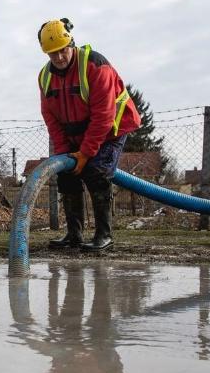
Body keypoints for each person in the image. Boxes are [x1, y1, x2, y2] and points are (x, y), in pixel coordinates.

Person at [37, 18, 141, 251]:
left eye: (63, 51)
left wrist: (85, 154)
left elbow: (103, 116)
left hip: (110, 131)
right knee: (67, 175)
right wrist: (64, 154)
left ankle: (104, 235)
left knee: (96, 172)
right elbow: (51, 118)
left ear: (71, 44)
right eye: (53, 54)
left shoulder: (95, 66)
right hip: (76, 135)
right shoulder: (45, 77)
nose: (59, 58)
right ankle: (74, 235)